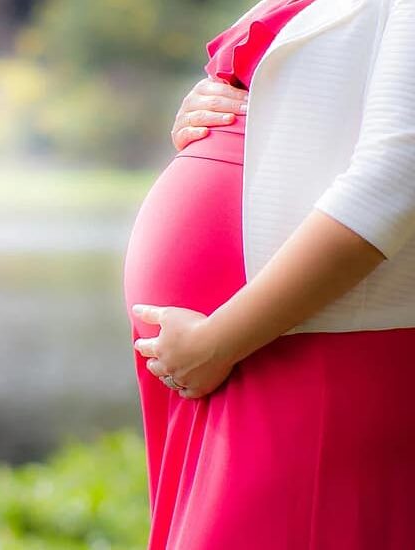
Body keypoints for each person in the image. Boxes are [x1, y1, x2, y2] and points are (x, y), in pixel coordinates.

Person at [122, 0, 415, 548]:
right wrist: (212, 113)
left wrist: (220, 339)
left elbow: (398, 177)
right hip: (244, 349)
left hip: (306, 345)